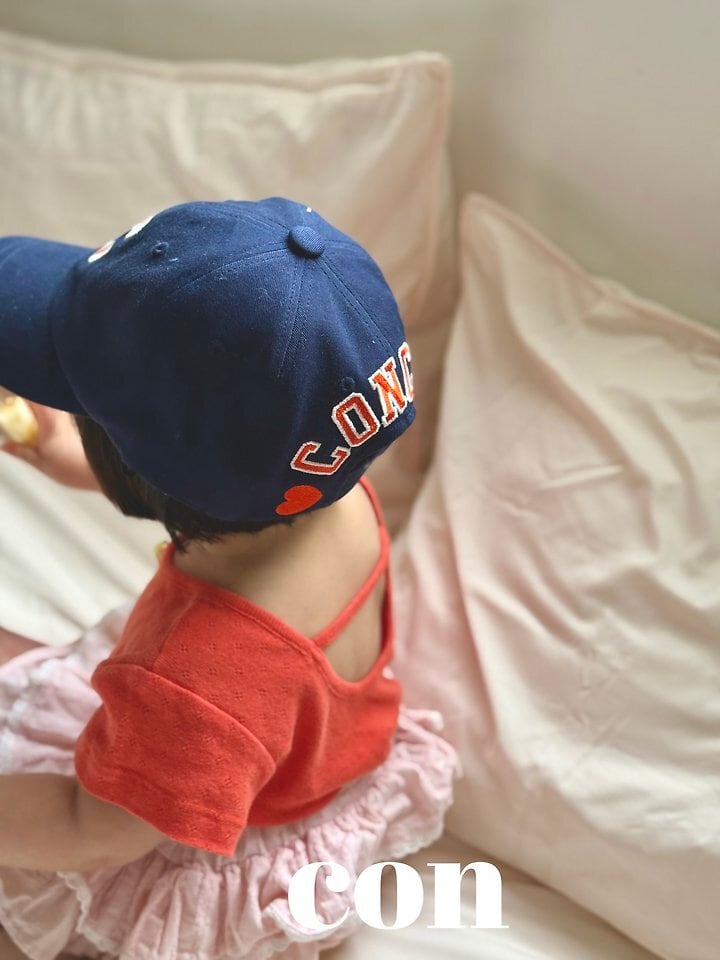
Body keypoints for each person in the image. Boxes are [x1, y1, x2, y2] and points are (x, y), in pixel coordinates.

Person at [0, 198, 462, 960]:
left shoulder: (191, 672)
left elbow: (95, 829)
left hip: (193, 825)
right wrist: (84, 460)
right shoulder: (330, 492)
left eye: (87, 415)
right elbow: (219, 484)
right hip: (306, 763)